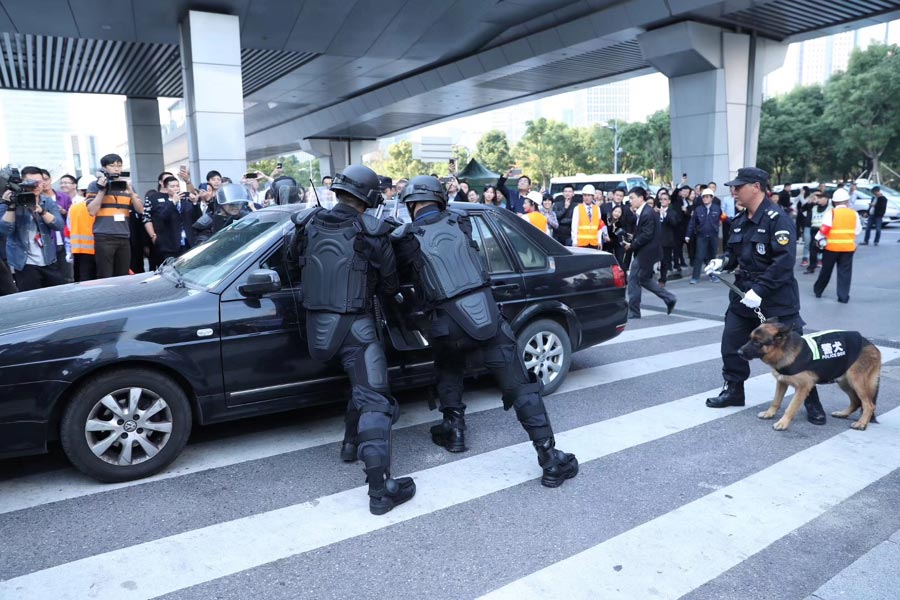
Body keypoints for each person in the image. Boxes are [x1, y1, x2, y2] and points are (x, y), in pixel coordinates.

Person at [392, 175, 578, 487]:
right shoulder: (461, 222)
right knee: (519, 385)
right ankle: (549, 457)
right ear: (441, 199)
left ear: (410, 205)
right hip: (484, 315)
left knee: (448, 370)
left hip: (442, 323)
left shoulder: (405, 237)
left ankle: (455, 431)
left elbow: (395, 277)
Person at [292, 164, 414, 515]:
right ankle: (380, 491)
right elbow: (390, 286)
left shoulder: (307, 224)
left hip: (316, 326)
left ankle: (350, 444)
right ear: (371, 197)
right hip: (357, 327)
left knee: (359, 386)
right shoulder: (372, 231)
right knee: (375, 398)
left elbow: (292, 264)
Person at [703, 167, 826, 425]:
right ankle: (734, 390)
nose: (733, 191)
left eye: (738, 187)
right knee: (732, 343)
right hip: (743, 295)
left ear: (756, 187)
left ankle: (811, 400)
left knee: (795, 352)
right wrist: (721, 262)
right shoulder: (739, 220)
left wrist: (759, 290)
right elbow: (734, 255)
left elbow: (784, 262)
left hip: (775, 297)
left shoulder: (776, 219)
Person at [0, 167, 66, 291]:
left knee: (55, 295)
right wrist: (12, 206)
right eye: (31, 182)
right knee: (31, 300)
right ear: (21, 183)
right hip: (24, 262)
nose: (35, 186)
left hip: (48, 258)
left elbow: (59, 225)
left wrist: (41, 210)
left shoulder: (47, 202)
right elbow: (4, 231)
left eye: (39, 182)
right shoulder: (9, 203)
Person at [86, 154, 144, 278]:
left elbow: (140, 210)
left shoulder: (127, 185)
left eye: (119, 165)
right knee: (105, 275)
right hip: (104, 236)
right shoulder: (94, 185)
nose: (116, 169)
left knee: (123, 275)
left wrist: (131, 192)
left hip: (123, 235)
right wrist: (102, 190)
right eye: (112, 166)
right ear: (104, 168)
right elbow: (92, 211)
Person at [624, 187, 676, 319]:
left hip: (646, 253)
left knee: (633, 280)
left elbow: (647, 235)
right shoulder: (644, 212)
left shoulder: (647, 213)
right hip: (647, 252)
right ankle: (669, 298)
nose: (630, 201)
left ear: (641, 198)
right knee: (644, 279)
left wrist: (632, 244)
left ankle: (634, 312)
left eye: (632, 198)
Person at [813, 187, 861, 303]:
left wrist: (817, 239)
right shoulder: (853, 214)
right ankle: (843, 297)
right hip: (848, 248)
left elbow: (824, 229)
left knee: (826, 270)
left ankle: (818, 291)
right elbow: (857, 230)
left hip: (831, 248)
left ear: (834, 201)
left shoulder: (832, 213)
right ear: (847, 201)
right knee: (844, 273)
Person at [685, 188, 722, 284]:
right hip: (701, 236)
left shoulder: (717, 209)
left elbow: (724, 218)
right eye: (703, 197)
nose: (705, 199)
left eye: (707, 197)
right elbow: (692, 223)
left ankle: (713, 276)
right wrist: (688, 235)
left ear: (711, 198)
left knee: (712, 257)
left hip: (713, 236)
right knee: (699, 256)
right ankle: (695, 277)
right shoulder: (698, 209)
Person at [657, 190, 682, 284]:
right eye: (661, 199)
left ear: (669, 201)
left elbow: (674, 223)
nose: (663, 201)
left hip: (667, 241)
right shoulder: (655, 211)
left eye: (665, 199)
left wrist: (665, 214)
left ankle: (663, 279)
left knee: (664, 261)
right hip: (656, 240)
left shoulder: (672, 212)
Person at [571, 185, 606, 249]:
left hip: (594, 242)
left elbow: (599, 226)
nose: (586, 197)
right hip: (581, 243)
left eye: (589, 195)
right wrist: (574, 241)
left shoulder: (597, 208)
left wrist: (599, 241)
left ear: (592, 196)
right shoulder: (577, 208)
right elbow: (574, 226)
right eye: (585, 195)